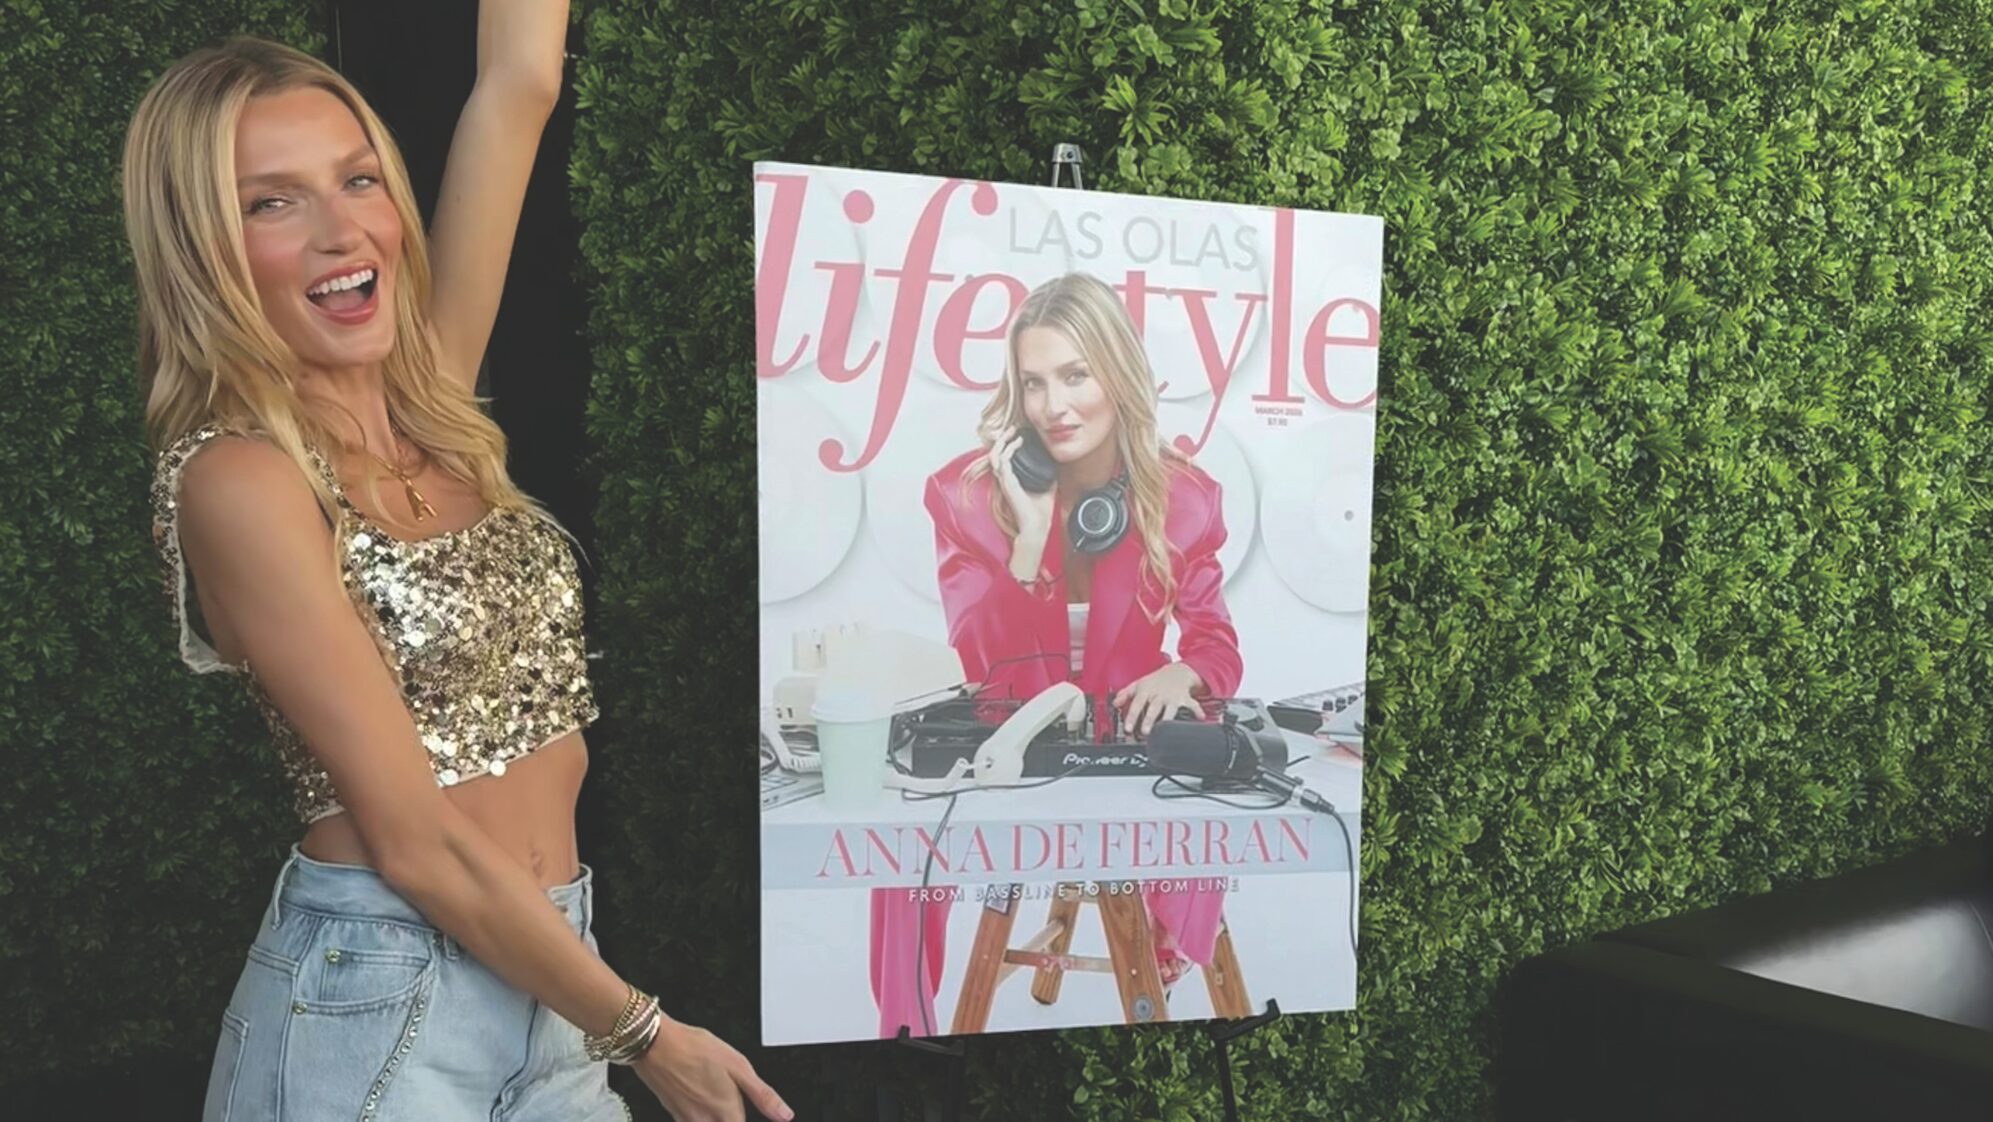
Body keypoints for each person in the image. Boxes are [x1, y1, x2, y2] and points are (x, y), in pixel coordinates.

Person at [125, 12, 789, 1122]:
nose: (344, 231)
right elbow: (417, 844)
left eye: (358, 180)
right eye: (272, 202)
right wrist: (646, 1035)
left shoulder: (429, 402)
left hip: (553, 969)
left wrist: (607, 1016)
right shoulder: (239, 480)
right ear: (201, 248)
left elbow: (519, 83)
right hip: (379, 1001)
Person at [868, 271, 1244, 1038]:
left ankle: (1168, 945)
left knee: (1213, 783)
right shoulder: (964, 497)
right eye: (1033, 382)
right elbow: (983, 659)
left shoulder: (1185, 499)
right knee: (900, 842)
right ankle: (903, 1034)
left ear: (1117, 375)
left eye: (1075, 375)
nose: (1053, 406)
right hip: (1002, 737)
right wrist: (1031, 537)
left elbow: (1216, 645)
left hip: (1121, 738)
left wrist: (1182, 670)